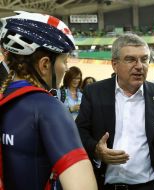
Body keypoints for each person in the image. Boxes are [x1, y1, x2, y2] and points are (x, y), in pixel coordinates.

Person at [0, 11, 97, 190]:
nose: (66, 68)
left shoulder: (4, 96)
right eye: (64, 61)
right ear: (45, 64)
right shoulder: (49, 108)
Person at [76, 33, 154, 190]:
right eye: (130, 59)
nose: (139, 66)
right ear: (114, 65)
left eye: (144, 59)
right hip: (105, 185)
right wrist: (96, 150)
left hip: (150, 186)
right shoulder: (94, 92)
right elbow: (80, 131)